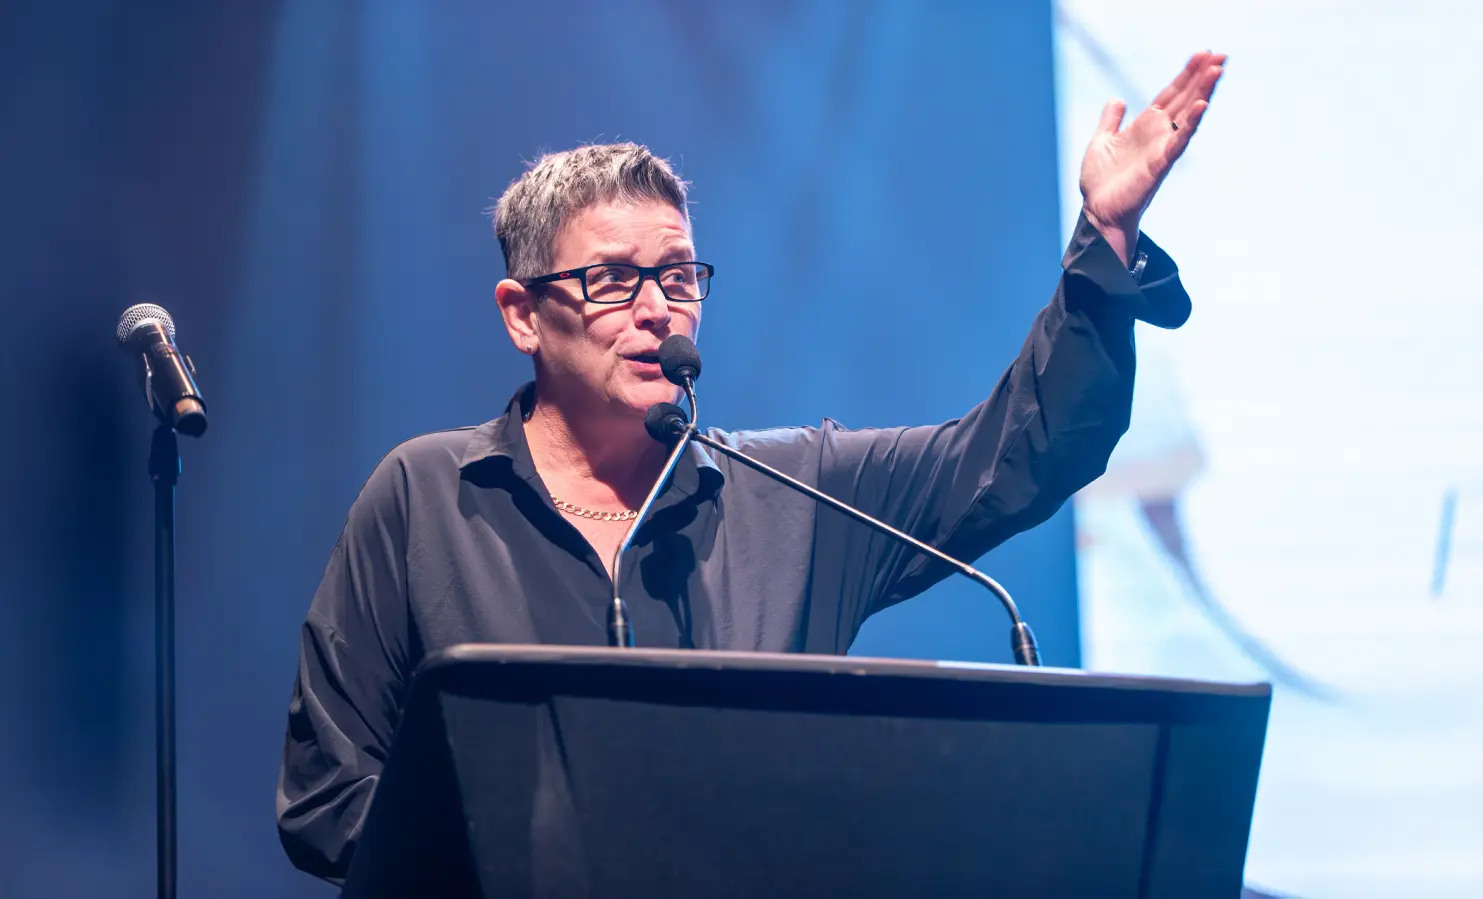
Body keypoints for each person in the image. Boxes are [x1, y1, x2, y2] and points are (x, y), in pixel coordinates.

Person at [276, 52, 1226, 883]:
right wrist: (512, 862)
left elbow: (1021, 450)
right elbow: (327, 795)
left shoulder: (795, 495)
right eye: (613, 279)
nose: (658, 308)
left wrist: (1103, 241)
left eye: (678, 275)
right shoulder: (426, 496)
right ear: (522, 314)